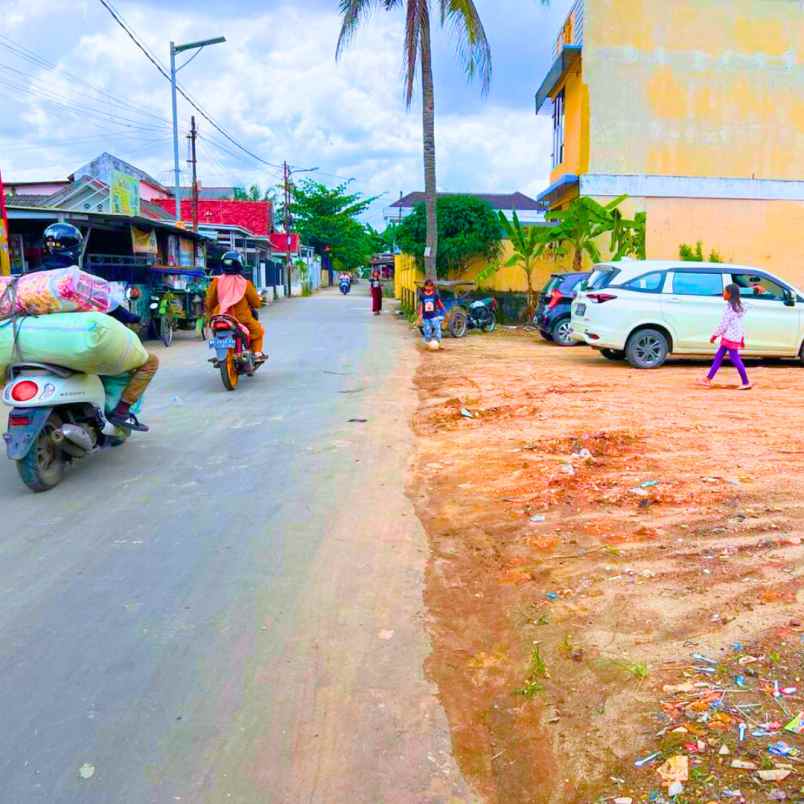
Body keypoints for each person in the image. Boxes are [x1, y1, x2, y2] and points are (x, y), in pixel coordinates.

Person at [40, 223, 159, 432]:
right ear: (76, 248)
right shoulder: (79, 280)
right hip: (77, 346)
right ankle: (121, 411)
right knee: (150, 362)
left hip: (39, 350)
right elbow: (112, 308)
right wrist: (134, 317)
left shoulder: (28, 280)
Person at [205, 250, 265, 360]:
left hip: (220, 317)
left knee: (216, 332)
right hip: (242, 319)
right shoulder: (245, 283)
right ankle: (257, 354)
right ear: (239, 265)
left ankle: (222, 352)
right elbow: (256, 303)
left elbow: (209, 302)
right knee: (258, 331)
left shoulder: (216, 281)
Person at [701, 282, 751, 390]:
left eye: (725, 292)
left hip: (730, 337)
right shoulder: (739, 307)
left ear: (730, 294)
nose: (723, 293)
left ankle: (746, 382)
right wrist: (741, 338)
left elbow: (723, 324)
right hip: (733, 336)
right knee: (719, 356)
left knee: (734, 358)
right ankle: (707, 379)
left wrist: (715, 335)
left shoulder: (730, 309)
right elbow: (740, 325)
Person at [417, 279, 446, 349]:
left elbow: (439, 303)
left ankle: (439, 342)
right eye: (427, 286)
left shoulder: (435, 295)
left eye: (430, 286)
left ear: (432, 287)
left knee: (437, 328)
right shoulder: (422, 295)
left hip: (434, 315)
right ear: (425, 286)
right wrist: (420, 314)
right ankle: (428, 344)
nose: (428, 288)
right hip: (425, 316)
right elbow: (421, 305)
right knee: (427, 330)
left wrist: (444, 310)